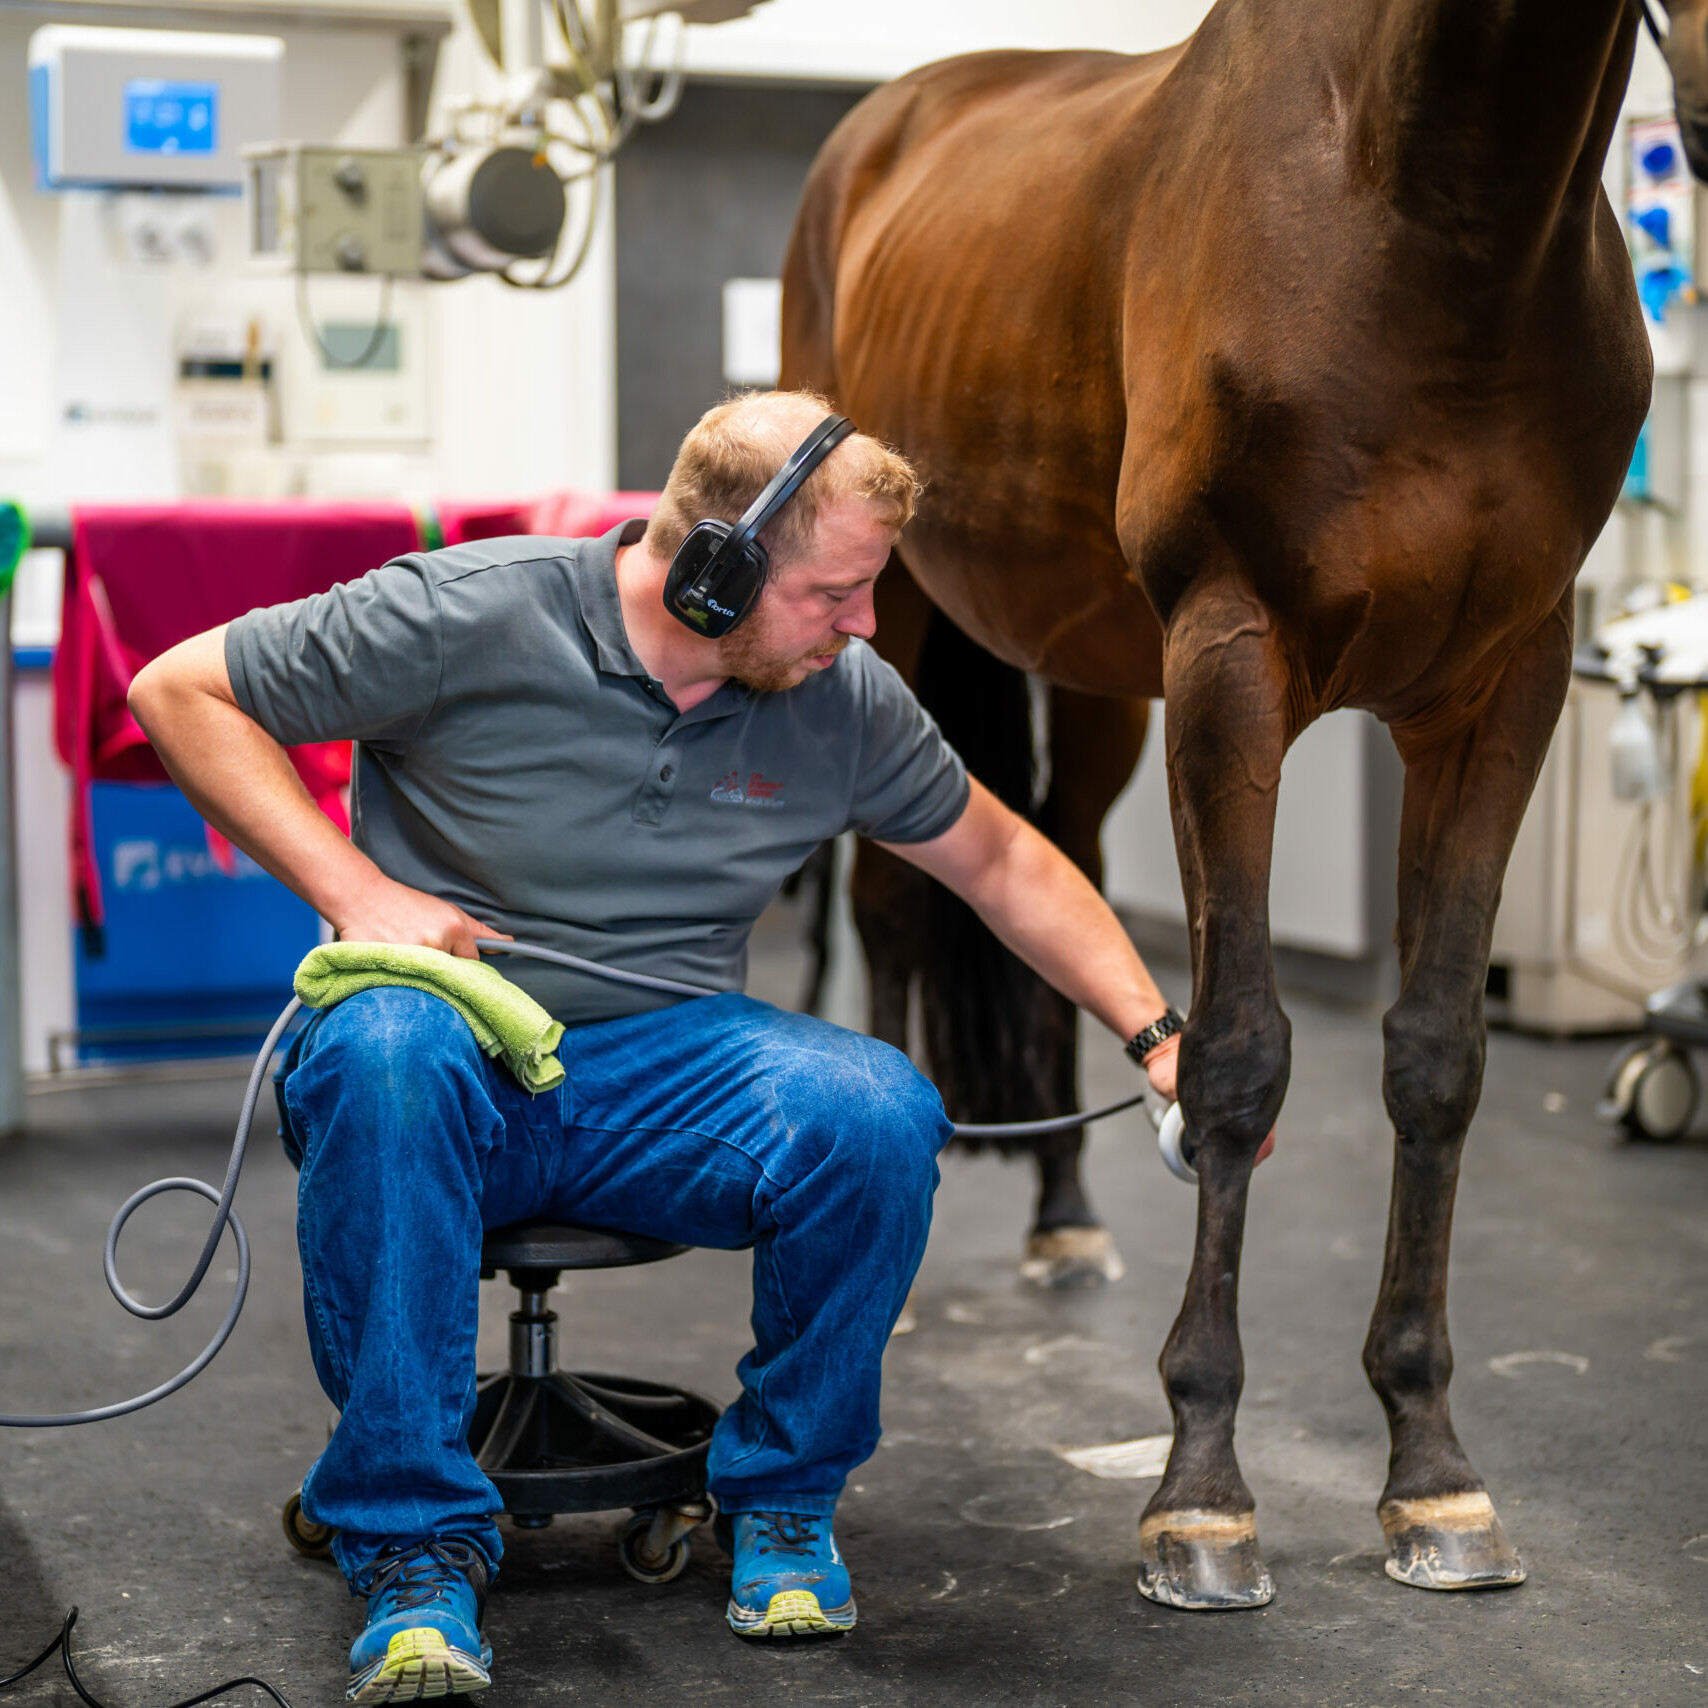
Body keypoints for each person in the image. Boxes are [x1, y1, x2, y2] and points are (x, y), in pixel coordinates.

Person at [128, 390, 1190, 1700]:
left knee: (872, 1108)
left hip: (665, 1069)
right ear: (713, 569)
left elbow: (1002, 859)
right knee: (385, 1049)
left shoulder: (838, 696)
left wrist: (1158, 1035)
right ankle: (408, 1542)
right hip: (443, 1052)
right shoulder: (471, 612)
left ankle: (781, 1502)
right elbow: (179, 688)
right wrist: (355, 892)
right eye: (833, 593)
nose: (862, 625)